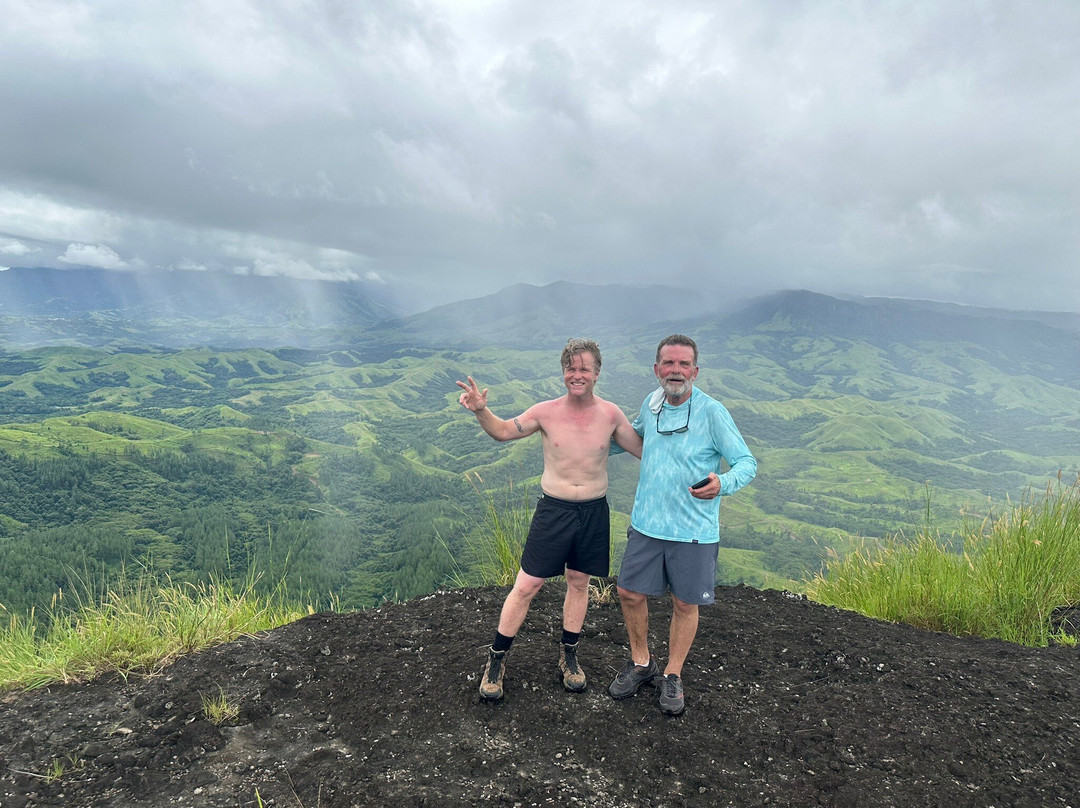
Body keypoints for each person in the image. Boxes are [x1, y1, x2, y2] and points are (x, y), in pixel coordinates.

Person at [456, 338, 642, 701]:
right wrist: (481, 410)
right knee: (526, 586)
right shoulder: (545, 411)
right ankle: (496, 659)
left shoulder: (611, 415)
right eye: (571, 368)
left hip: (593, 511)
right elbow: (503, 432)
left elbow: (644, 451)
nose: (577, 374)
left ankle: (569, 656)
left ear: (597, 373)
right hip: (553, 510)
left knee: (578, 582)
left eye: (584, 368)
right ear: (563, 372)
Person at [607, 334, 756, 716]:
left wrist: (724, 483)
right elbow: (634, 437)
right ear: (657, 370)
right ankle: (642, 663)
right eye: (668, 364)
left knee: (685, 603)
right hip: (646, 524)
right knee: (627, 592)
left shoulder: (712, 412)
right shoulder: (652, 403)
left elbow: (746, 463)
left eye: (683, 364)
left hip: (693, 530)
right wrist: (584, 437)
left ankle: (672, 674)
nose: (676, 371)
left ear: (695, 370)